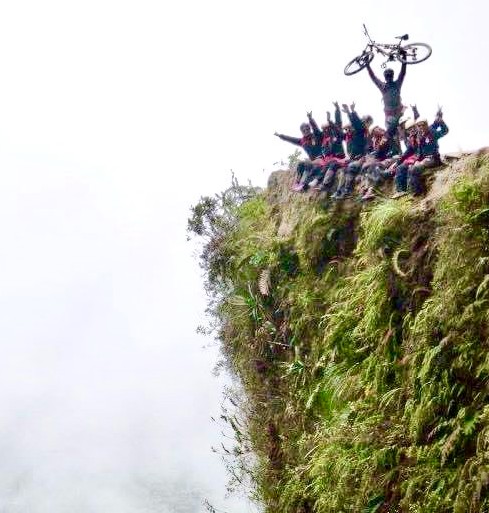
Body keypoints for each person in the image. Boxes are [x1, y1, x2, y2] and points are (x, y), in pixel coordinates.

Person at [331, 103, 372, 199]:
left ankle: (348, 191)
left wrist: (350, 111)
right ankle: (340, 191)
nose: (348, 130)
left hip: (364, 158)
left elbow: (357, 124)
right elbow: (338, 130)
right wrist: (332, 121)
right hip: (355, 159)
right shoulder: (351, 136)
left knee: (352, 167)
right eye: (346, 129)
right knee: (344, 169)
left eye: (349, 128)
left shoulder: (362, 132)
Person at [274, 112, 323, 191]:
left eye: (307, 129)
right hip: (313, 161)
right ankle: (298, 182)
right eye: (303, 130)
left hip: (321, 159)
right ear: (301, 131)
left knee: (311, 166)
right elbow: (290, 139)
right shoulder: (302, 141)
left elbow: (315, 128)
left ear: (309, 129)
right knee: (301, 164)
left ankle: (304, 184)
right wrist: (280, 135)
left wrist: (310, 119)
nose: (306, 131)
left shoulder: (316, 136)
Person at [365, 57, 407, 136]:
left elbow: (402, 73)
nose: (389, 77)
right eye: (388, 76)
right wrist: (367, 65)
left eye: (389, 76)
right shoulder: (386, 86)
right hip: (391, 115)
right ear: (385, 77)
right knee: (392, 134)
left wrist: (404, 59)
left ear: (392, 76)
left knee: (401, 132)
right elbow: (373, 77)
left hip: (397, 113)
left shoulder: (393, 85)